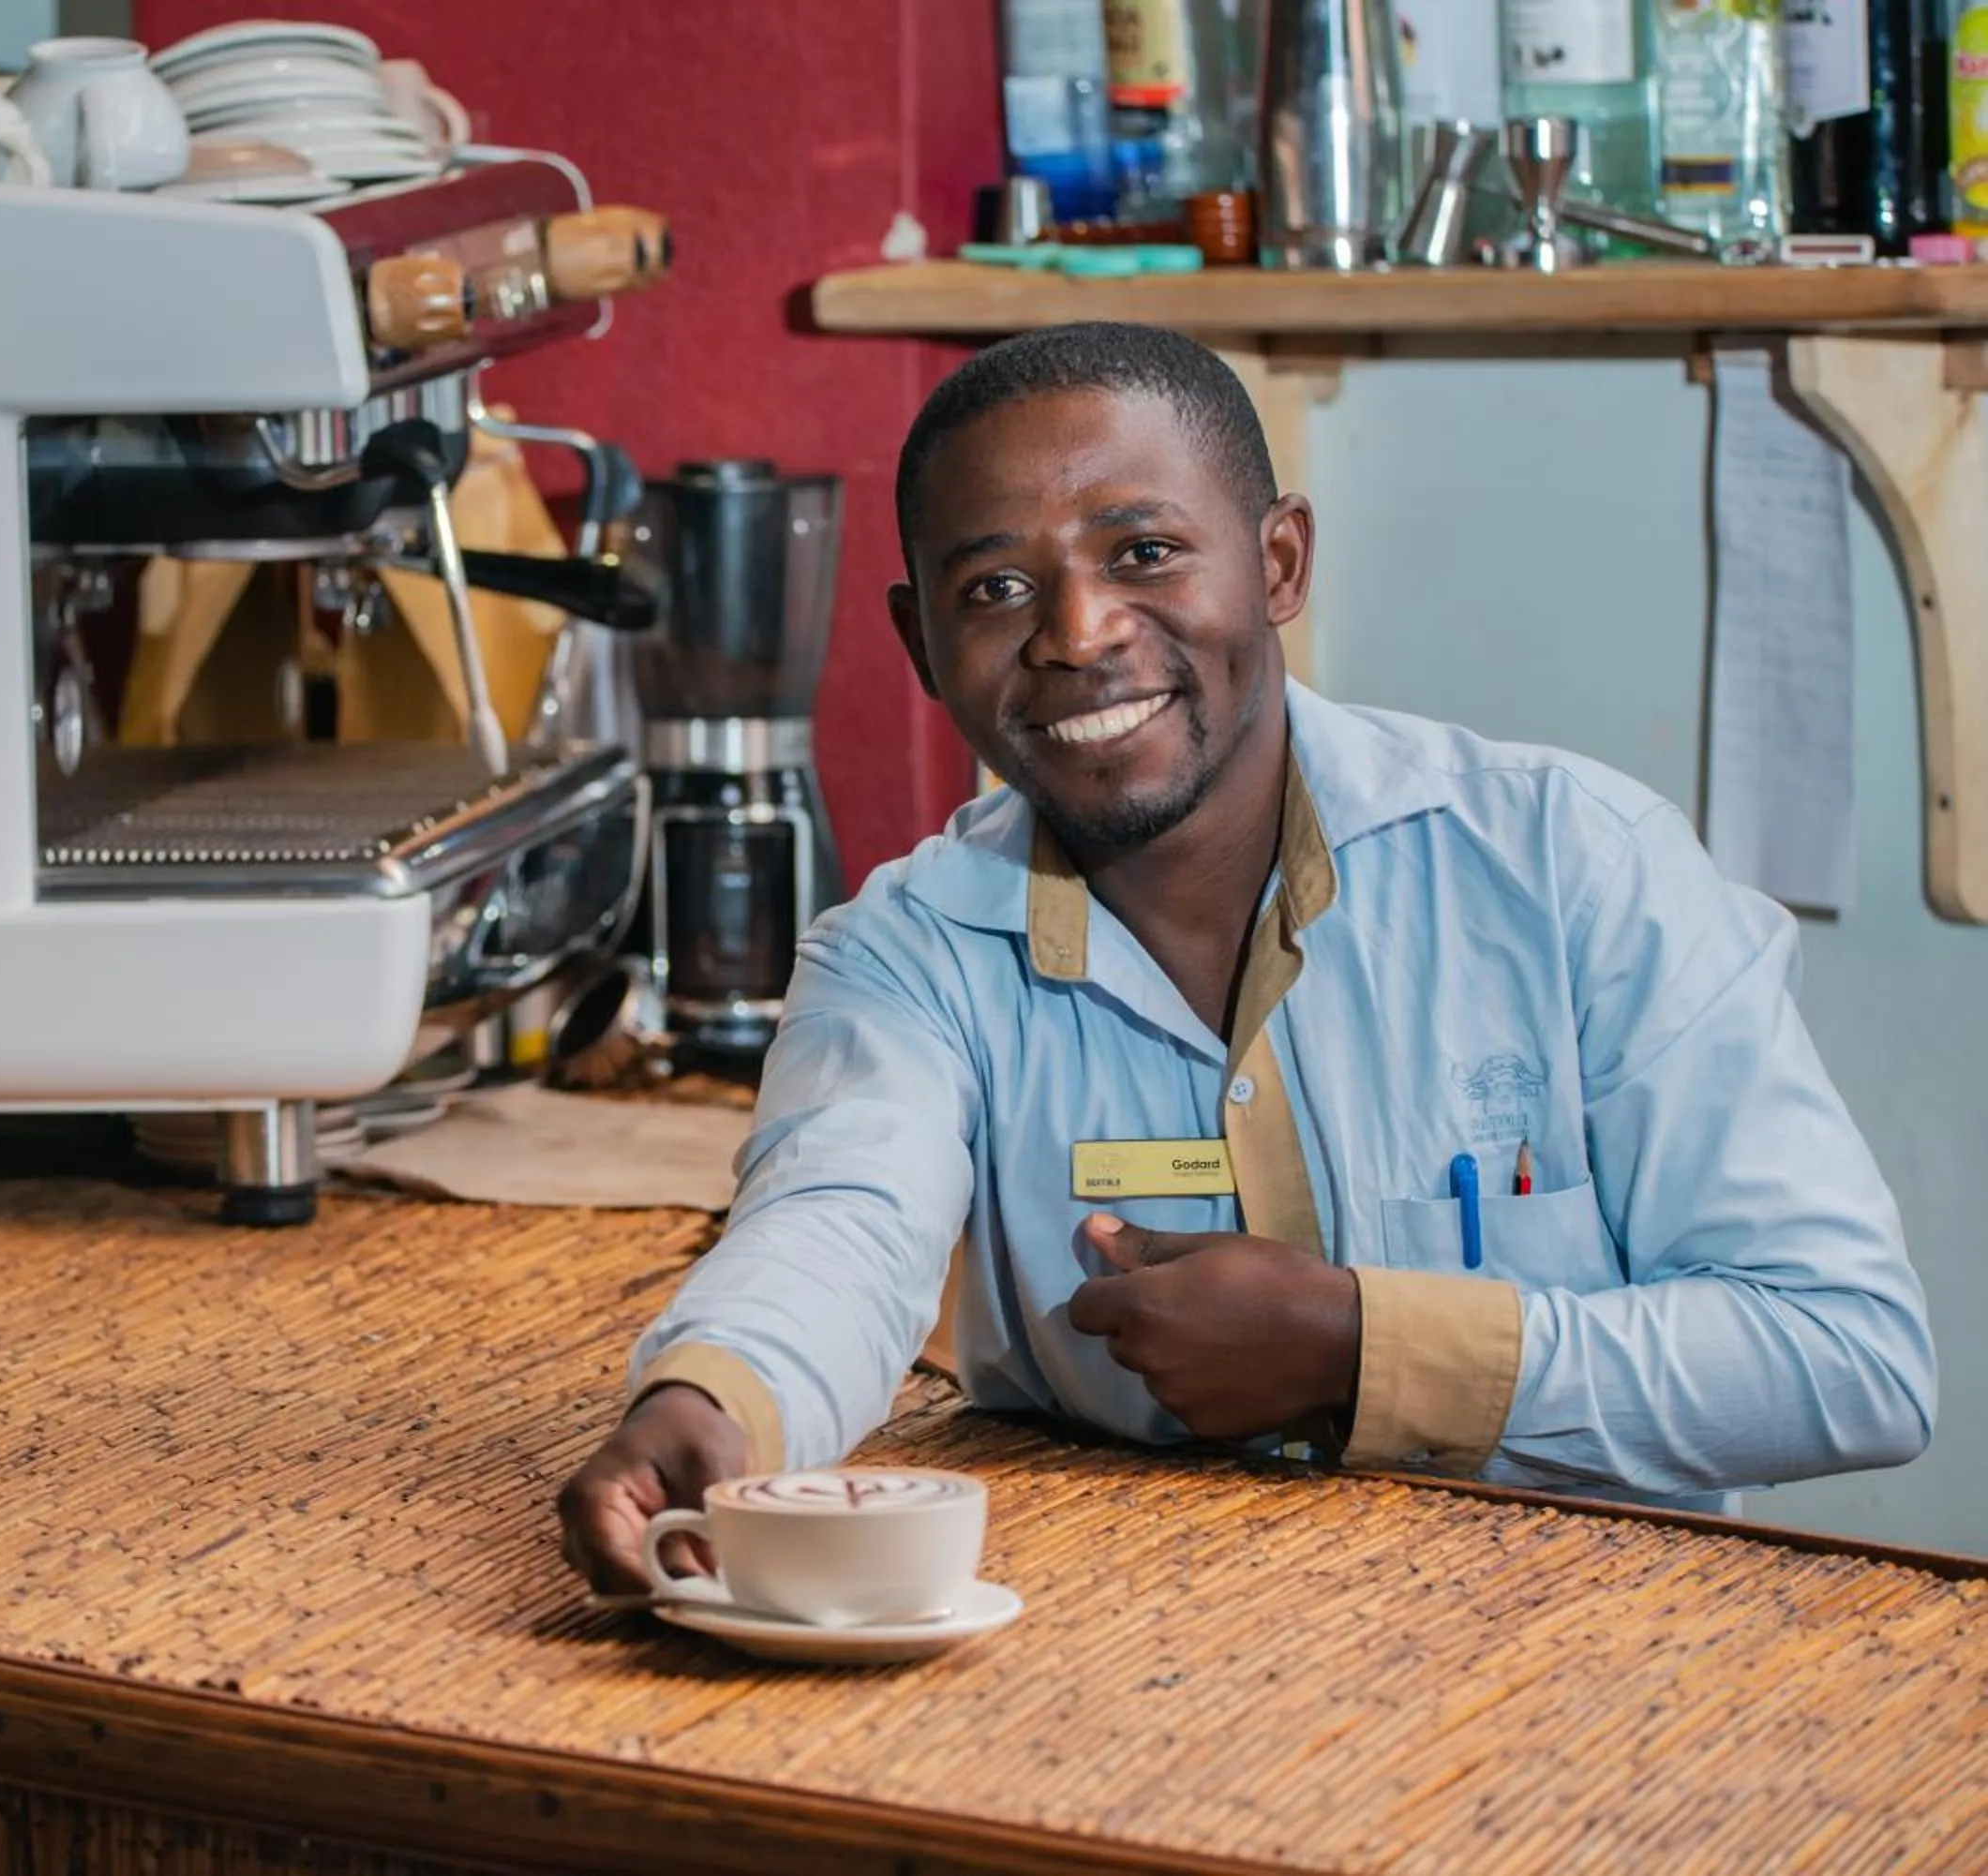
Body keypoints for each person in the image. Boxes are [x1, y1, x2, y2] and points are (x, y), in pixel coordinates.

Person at [558, 321, 1936, 1594]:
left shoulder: (1578, 867)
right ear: (923, 642)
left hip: (1599, 1667)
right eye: (998, 585)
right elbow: (836, 1229)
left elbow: (1848, 1358)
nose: (1078, 632)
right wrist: (708, 1401)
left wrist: (1361, 1344)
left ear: (1278, 563)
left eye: (1144, 551)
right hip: (1149, 1673)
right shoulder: (909, 955)